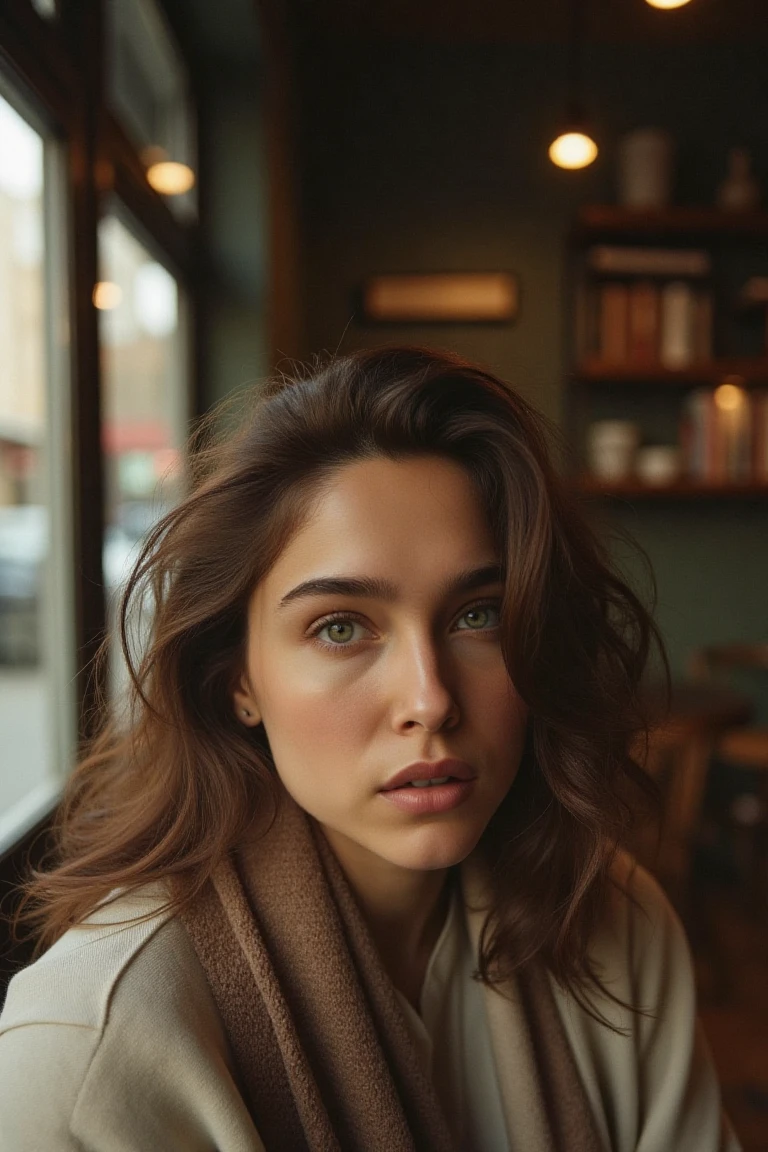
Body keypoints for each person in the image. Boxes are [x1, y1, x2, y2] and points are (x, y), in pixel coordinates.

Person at [0, 345, 741, 1151]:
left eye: (477, 615)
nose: (430, 700)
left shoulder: (615, 921)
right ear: (236, 681)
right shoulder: (89, 1049)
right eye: (341, 628)